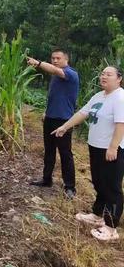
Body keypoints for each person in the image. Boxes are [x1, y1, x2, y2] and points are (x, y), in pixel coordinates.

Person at [52, 66, 124, 241]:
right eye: (102, 74)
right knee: (99, 183)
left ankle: (111, 227)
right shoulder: (99, 96)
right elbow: (82, 113)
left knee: (112, 187)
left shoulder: (120, 97)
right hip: (95, 146)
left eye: (109, 74)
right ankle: (97, 214)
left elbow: (121, 124)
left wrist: (113, 146)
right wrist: (65, 126)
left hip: (112, 149)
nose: (104, 76)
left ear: (119, 79)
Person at [27, 49, 80, 198]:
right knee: (49, 151)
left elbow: (55, 70)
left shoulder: (70, 74)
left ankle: (70, 187)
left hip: (63, 121)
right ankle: (46, 179)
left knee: (65, 154)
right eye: (53, 58)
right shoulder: (55, 77)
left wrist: (38, 63)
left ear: (66, 60)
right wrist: (46, 111)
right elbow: (54, 97)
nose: (55, 60)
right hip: (50, 118)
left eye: (58, 58)